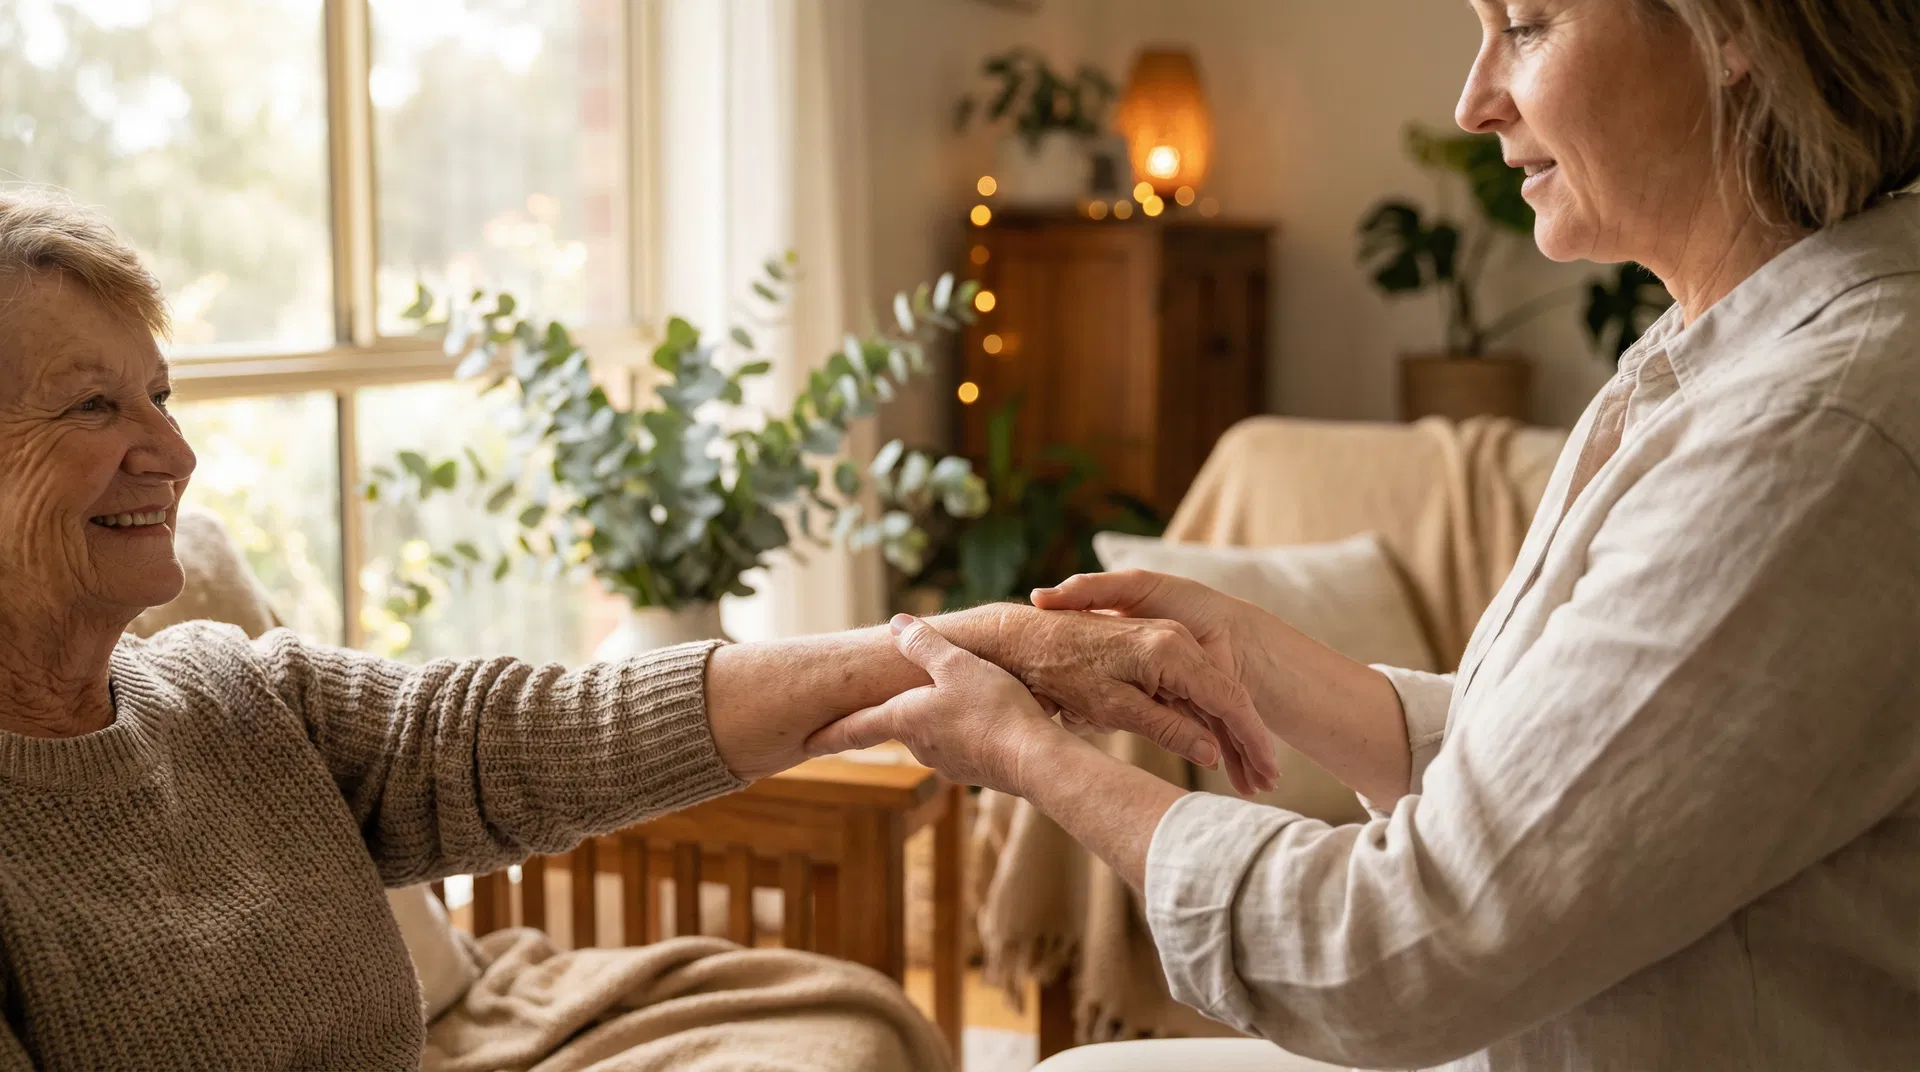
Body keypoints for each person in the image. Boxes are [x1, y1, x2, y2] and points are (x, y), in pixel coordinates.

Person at [808, 1, 1920, 1068]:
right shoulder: (1720, 358)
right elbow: (1571, 777)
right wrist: (1249, 655)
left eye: (1525, 27)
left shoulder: (1811, 431)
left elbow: (1405, 948)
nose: (1475, 100)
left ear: (1733, 27)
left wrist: (1031, 758)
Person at [0, 189, 1278, 1071]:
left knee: (851, 1020)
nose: (175, 450)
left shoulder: (231, 696)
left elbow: (545, 729)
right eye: (96, 406)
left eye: (162, 394)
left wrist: (986, 645)